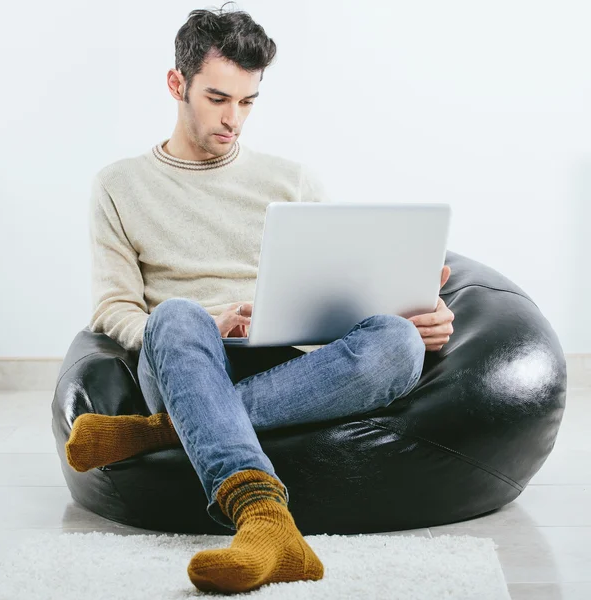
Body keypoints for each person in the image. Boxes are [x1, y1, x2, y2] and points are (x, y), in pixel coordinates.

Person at [64, 2, 454, 594]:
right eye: (218, 99)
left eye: (247, 102)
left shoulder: (293, 180)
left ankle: (163, 431)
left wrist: (410, 305)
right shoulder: (117, 185)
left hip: (285, 360)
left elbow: (335, 295)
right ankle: (263, 517)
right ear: (178, 84)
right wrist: (206, 322)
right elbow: (113, 308)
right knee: (176, 314)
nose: (233, 120)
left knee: (398, 342)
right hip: (184, 358)